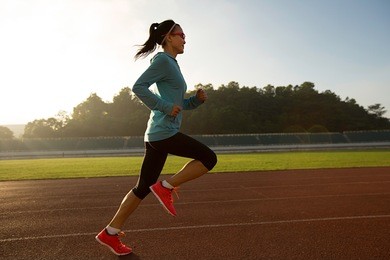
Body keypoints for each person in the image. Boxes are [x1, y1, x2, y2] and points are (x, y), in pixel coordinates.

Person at [95, 19, 217, 256]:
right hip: (164, 132)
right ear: (168, 38)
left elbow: (178, 105)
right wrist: (163, 106)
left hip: (157, 133)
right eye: (181, 34)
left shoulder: (172, 64)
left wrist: (196, 101)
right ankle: (166, 187)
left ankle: (109, 233)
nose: (185, 39)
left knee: (141, 188)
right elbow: (138, 87)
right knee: (209, 158)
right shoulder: (162, 60)